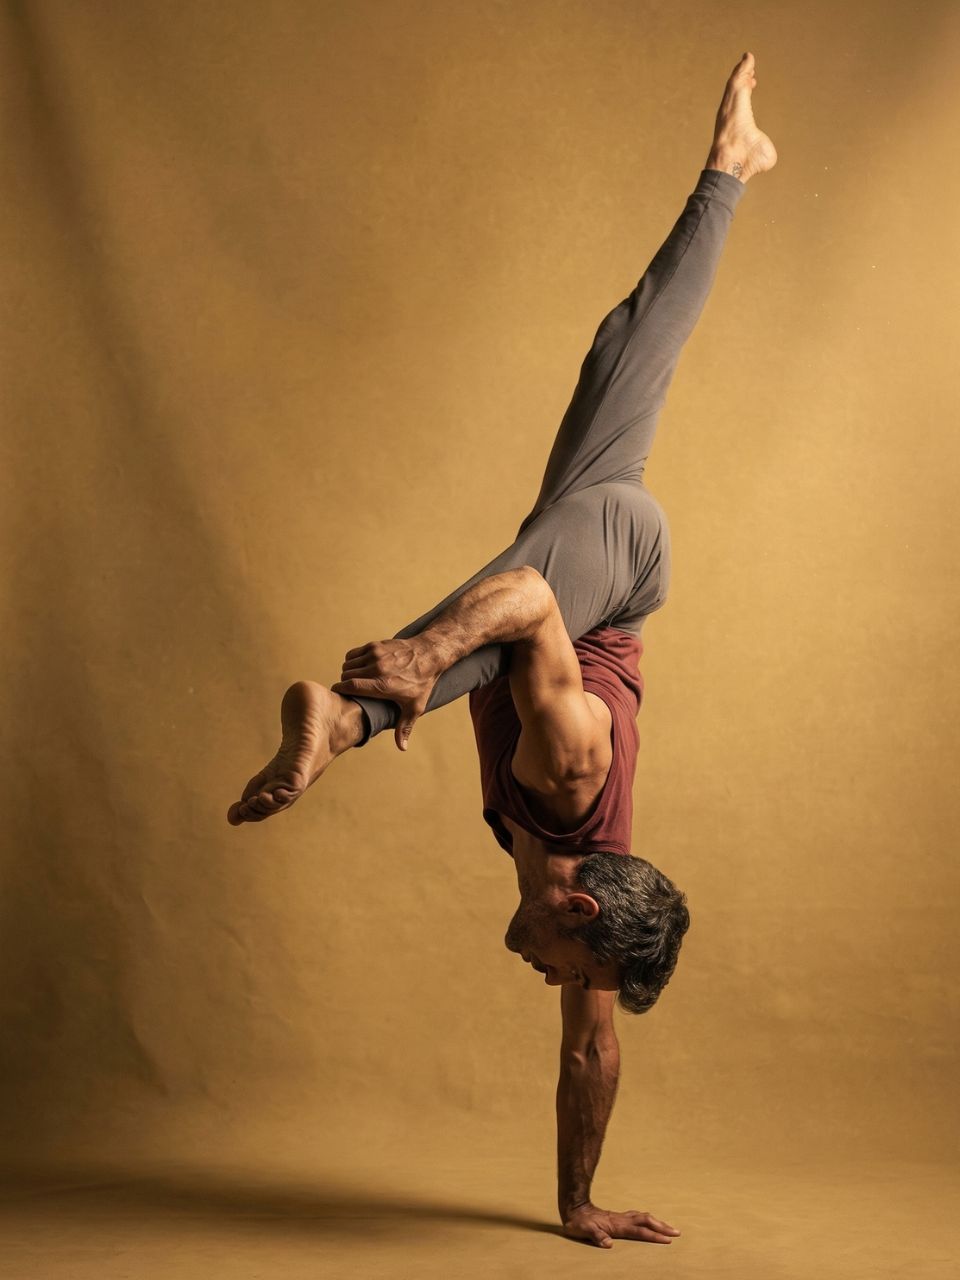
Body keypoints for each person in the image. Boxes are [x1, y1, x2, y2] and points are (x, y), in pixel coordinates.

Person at [227, 51, 776, 1249]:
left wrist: (577, 1200)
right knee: (507, 600)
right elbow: (529, 597)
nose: (555, 979)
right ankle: (350, 716)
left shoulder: (586, 906)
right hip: (614, 575)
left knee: (624, 350)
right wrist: (423, 655)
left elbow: (592, 1049)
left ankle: (733, 166)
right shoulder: (570, 773)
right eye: (567, 966)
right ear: (578, 899)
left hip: (579, 559)